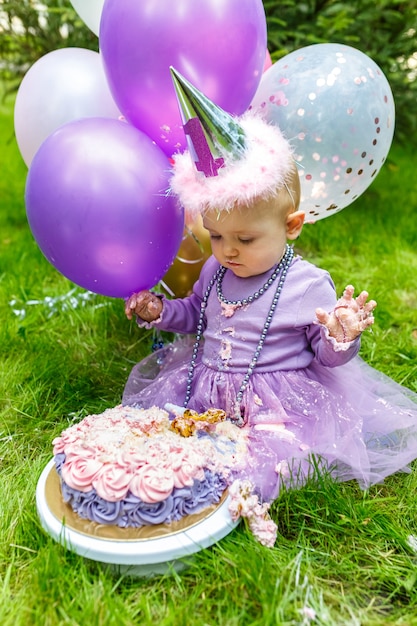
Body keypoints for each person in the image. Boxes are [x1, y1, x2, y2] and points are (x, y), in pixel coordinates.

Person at [122, 69, 417, 501]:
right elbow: (197, 316)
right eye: (216, 236)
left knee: (267, 460)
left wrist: (338, 336)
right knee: (173, 448)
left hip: (275, 400)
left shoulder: (307, 285)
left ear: (292, 225)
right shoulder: (215, 271)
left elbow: (326, 356)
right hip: (206, 389)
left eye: (245, 239)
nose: (228, 251)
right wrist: (162, 311)